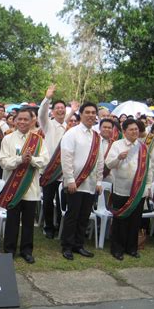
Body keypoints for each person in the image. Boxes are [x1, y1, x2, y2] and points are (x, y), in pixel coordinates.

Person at [0, 108, 49, 263]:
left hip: (31, 187)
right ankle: (9, 249)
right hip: (13, 187)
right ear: (14, 120)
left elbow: (45, 160)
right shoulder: (8, 139)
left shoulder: (38, 140)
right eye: (20, 119)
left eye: (26, 119)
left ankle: (26, 250)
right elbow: (4, 162)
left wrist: (32, 159)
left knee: (28, 222)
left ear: (32, 121)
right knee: (12, 220)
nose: (23, 122)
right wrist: (19, 160)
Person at [60, 102, 104, 260]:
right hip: (75, 183)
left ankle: (79, 245)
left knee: (84, 216)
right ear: (81, 114)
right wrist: (70, 179)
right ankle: (67, 246)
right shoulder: (72, 133)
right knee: (72, 216)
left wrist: (99, 181)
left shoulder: (97, 137)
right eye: (88, 112)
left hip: (91, 184)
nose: (91, 115)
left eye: (94, 112)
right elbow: (66, 158)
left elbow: (100, 160)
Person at [105, 119, 152, 260]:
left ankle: (131, 248)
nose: (134, 132)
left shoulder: (143, 147)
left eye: (136, 129)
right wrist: (119, 158)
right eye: (131, 129)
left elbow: (148, 169)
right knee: (121, 220)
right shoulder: (117, 145)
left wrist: (148, 186)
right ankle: (117, 249)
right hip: (121, 189)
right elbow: (109, 163)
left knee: (135, 220)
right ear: (124, 131)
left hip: (139, 191)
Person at [38, 85, 77, 239]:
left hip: (65, 171)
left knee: (63, 201)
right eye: (57, 108)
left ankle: (61, 225)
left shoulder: (69, 128)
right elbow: (41, 114)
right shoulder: (48, 125)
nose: (60, 110)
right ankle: (48, 227)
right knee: (48, 201)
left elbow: (65, 120)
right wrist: (47, 98)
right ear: (53, 111)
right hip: (49, 170)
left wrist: (73, 110)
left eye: (63, 108)